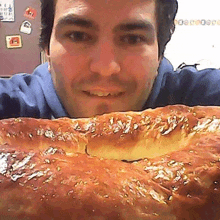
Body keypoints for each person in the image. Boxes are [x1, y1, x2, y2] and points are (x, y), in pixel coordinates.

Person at [0, 0, 220, 119]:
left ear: (160, 52)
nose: (105, 68)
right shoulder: (13, 108)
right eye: (78, 35)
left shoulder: (201, 101)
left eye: (132, 39)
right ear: (47, 47)